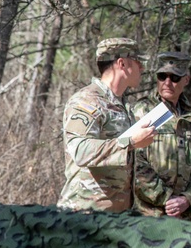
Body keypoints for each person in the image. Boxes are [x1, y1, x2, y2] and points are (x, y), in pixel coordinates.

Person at [58, 38, 160, 212]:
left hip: (116, 217)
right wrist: (131, 142)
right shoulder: (87, 101)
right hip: (85, 215)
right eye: (138, 62)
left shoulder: (123, 105)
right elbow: (80, 151)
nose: (142, 68)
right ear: (122, 63)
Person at [129, 51, 191, 219]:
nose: (167, 83)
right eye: (162, 76)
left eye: (174, 78)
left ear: (186, 80)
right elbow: (133, 160)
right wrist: (166, 198)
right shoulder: (142, 112)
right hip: (148, 215)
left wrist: (187, 199)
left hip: (184, 217)